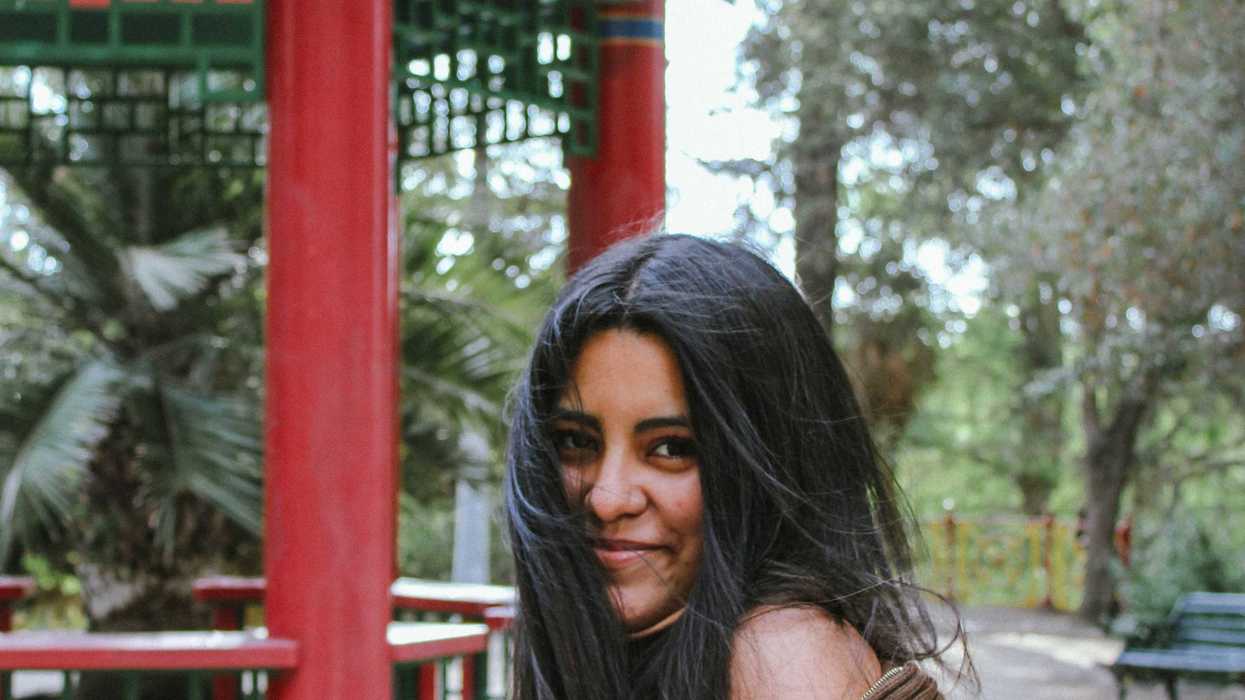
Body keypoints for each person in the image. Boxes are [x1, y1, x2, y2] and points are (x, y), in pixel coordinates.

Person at [504, 234, 963, 699]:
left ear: (772, 460)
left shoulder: (781, 657)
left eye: (671, 448)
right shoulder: (611, 643)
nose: (607, 499)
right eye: (576, 441)